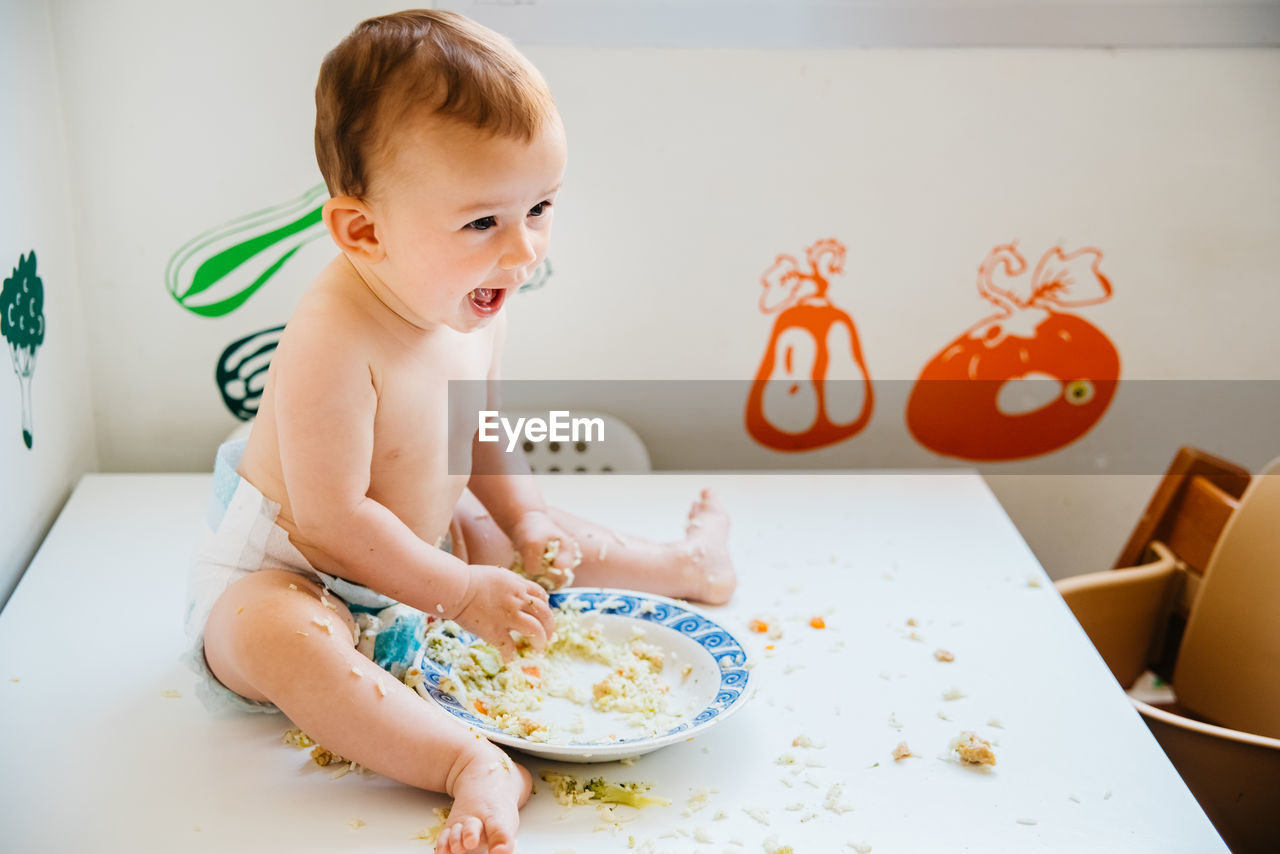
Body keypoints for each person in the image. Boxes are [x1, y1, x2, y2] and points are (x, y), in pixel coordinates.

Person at [182, 10, 735, 854]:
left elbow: (471, 432)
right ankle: (466, 765)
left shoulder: (472, 303)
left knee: (514, 544)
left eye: (540, 208)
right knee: (272, 635)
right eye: (483, 223)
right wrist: (460, 592)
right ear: (364, 231)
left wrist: (526, 521)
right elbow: (330, 523)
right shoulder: (332, 339)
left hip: (418, 558)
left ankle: (684, 566)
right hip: (302, 575)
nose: (523, 252)